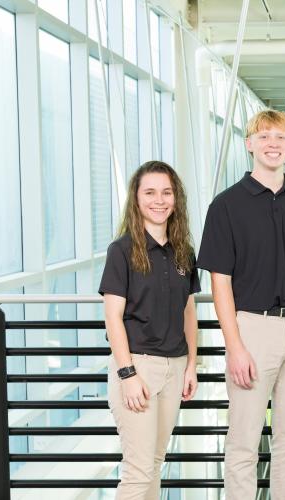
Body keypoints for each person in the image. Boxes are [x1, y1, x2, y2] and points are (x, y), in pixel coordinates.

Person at [197, 109, 285, 498]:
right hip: (253, 330)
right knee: (244, 442)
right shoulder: (225, 206)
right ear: (249, 144)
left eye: (280, 137)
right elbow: (220, 283)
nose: (272, 144)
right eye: (264, 137)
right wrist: (235, 346)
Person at [100, 161, 200, 499]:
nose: (159, 200)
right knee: (139, 471)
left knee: (154, 463)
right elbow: (113, 317)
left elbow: (188, 309)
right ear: (137, 198)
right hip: (138, 367)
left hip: (174, 368)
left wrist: (191, 365)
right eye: (150, 192)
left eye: (166, 192)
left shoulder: (183, 250)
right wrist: (127, 374)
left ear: (176, 199)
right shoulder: (122, 250)